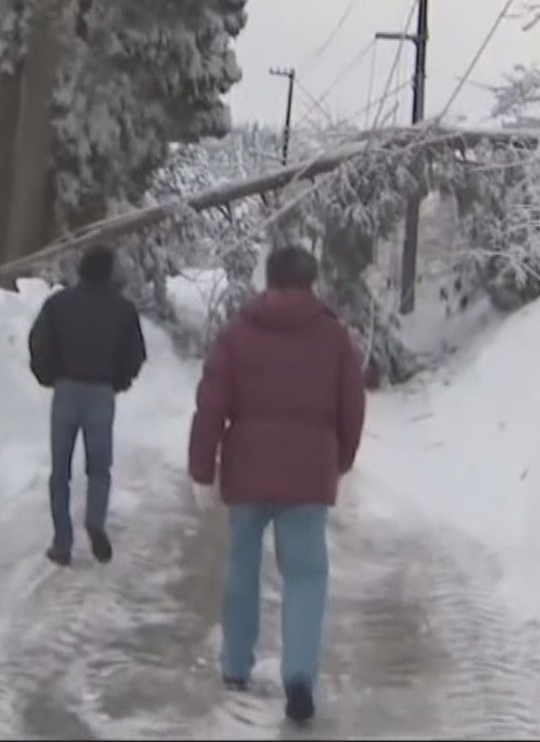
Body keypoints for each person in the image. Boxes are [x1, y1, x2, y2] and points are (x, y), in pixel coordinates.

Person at [187, 244, 367, 727]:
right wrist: (340, 461)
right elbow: (353, 406)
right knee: (307, 576)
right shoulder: (334, 338)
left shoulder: (238, 334)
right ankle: (300, 678)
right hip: (309, 473)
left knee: (242, 570)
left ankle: (235, 667)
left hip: (247, 472)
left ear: (269, 281)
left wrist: (202, 469)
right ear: (312, 283)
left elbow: (211, 405)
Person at [29, 246, 147, 567]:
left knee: (60, 472)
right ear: (109, 272)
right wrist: (119, 380)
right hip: (101, 394)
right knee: (99, 468)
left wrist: (48, 375)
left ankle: (62, 542)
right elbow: (136, 354)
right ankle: (95, 520)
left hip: (66, 390)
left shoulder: (57, 304)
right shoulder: (123, 310)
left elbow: (39, 343)